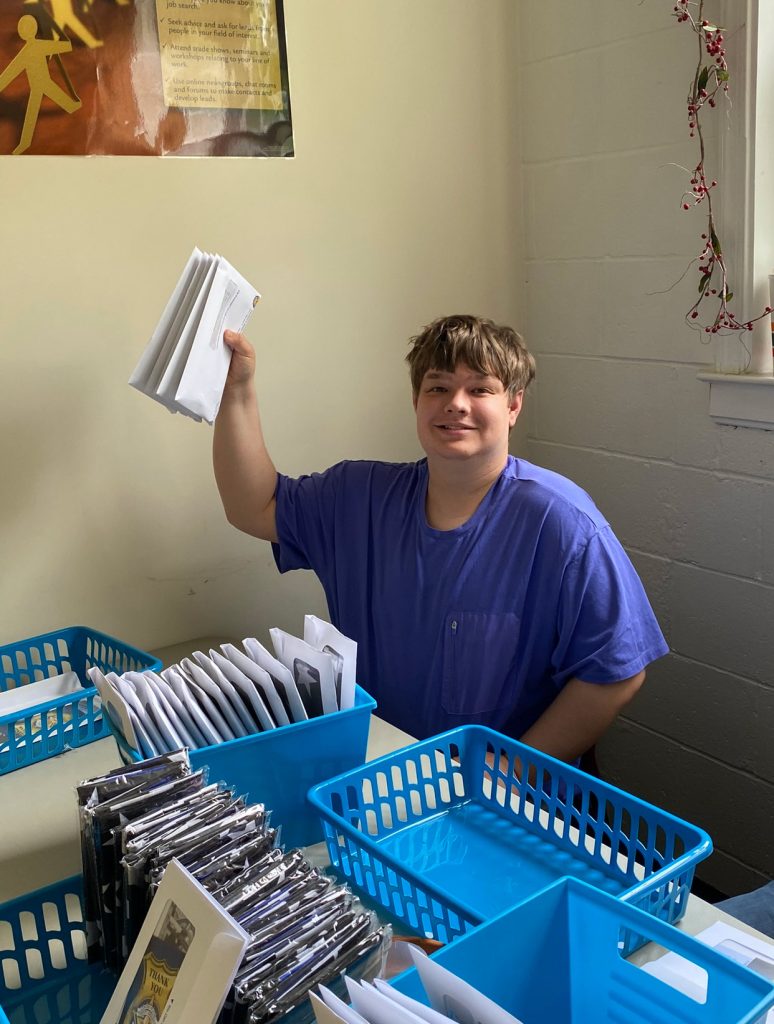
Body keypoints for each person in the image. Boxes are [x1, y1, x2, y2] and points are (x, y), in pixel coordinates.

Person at [213, 314, 668, 763]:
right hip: (386, 774)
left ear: (513, 405)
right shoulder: (358, 498)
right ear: (416, 400)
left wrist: (505, 772)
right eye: (438, 387)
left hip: (508, 802)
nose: (456, 403)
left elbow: (614, 674)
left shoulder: (562, 523)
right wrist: (236, 392)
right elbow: (254, 507)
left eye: (480, 389)